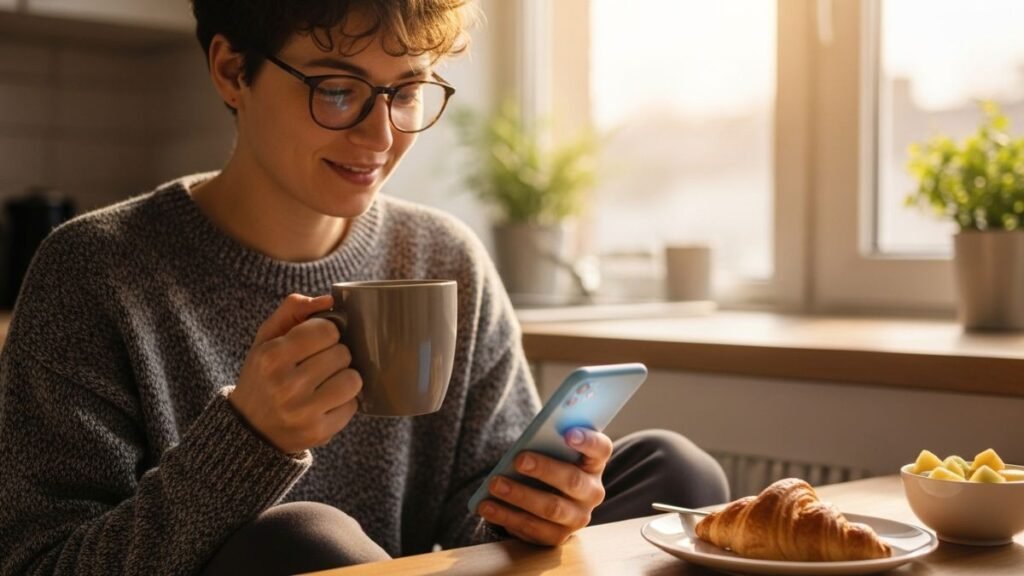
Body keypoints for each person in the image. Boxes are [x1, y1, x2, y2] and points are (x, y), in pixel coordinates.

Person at [0, 1, 729, 574]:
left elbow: (471, 536)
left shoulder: (445, 255)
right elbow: (42, 564)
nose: (381, 135)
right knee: (304, 542)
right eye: (338, 89)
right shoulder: (94, 270)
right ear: (231, 71)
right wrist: (245, 442)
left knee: (674, 469)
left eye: (408, 89)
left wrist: (537, 511)